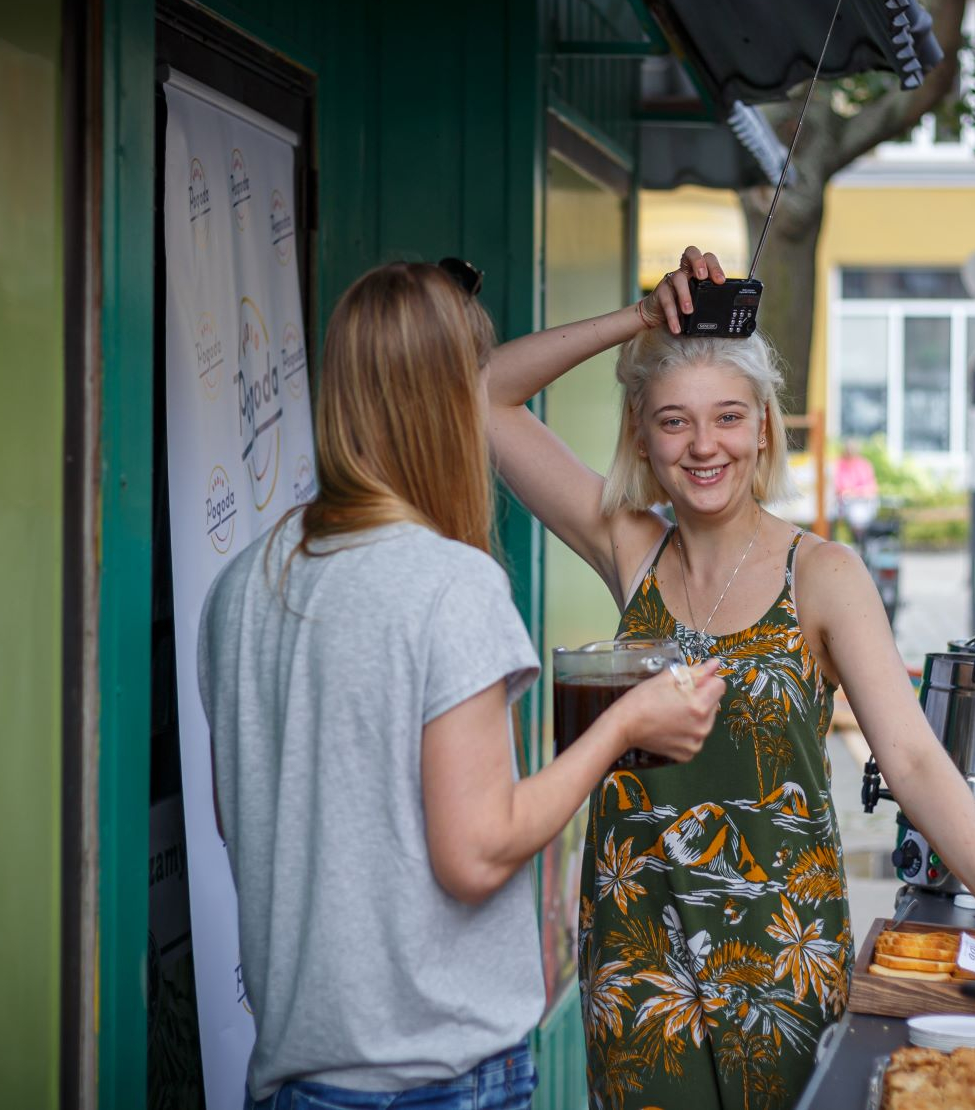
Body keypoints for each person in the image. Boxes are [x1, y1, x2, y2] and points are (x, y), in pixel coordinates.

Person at [486, 247, 975, 1110]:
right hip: (639, 955)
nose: (703, 445)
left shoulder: (819, 574)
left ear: (763, 427)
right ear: (641, 433)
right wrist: (640, 319)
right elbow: (483, 394)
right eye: (673, 421)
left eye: (727, 416)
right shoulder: (630, 549)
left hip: (778, 959)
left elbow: (909, 755)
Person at [197, 261, 725, 1110]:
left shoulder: (241, 583)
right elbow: (477, 852)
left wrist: (638, 318)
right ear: (454, 402)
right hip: (434, 1083)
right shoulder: (451, 585)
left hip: (292, 1076)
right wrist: (624, 727)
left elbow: (242, 815)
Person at [832, 440, 879, 545]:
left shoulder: (863, 465)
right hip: (841, 502)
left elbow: (871, 487)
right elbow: (836, 485)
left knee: (858, 515)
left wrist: (856, 492)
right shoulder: (839, 464)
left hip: (860, 502)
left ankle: (859, 541)